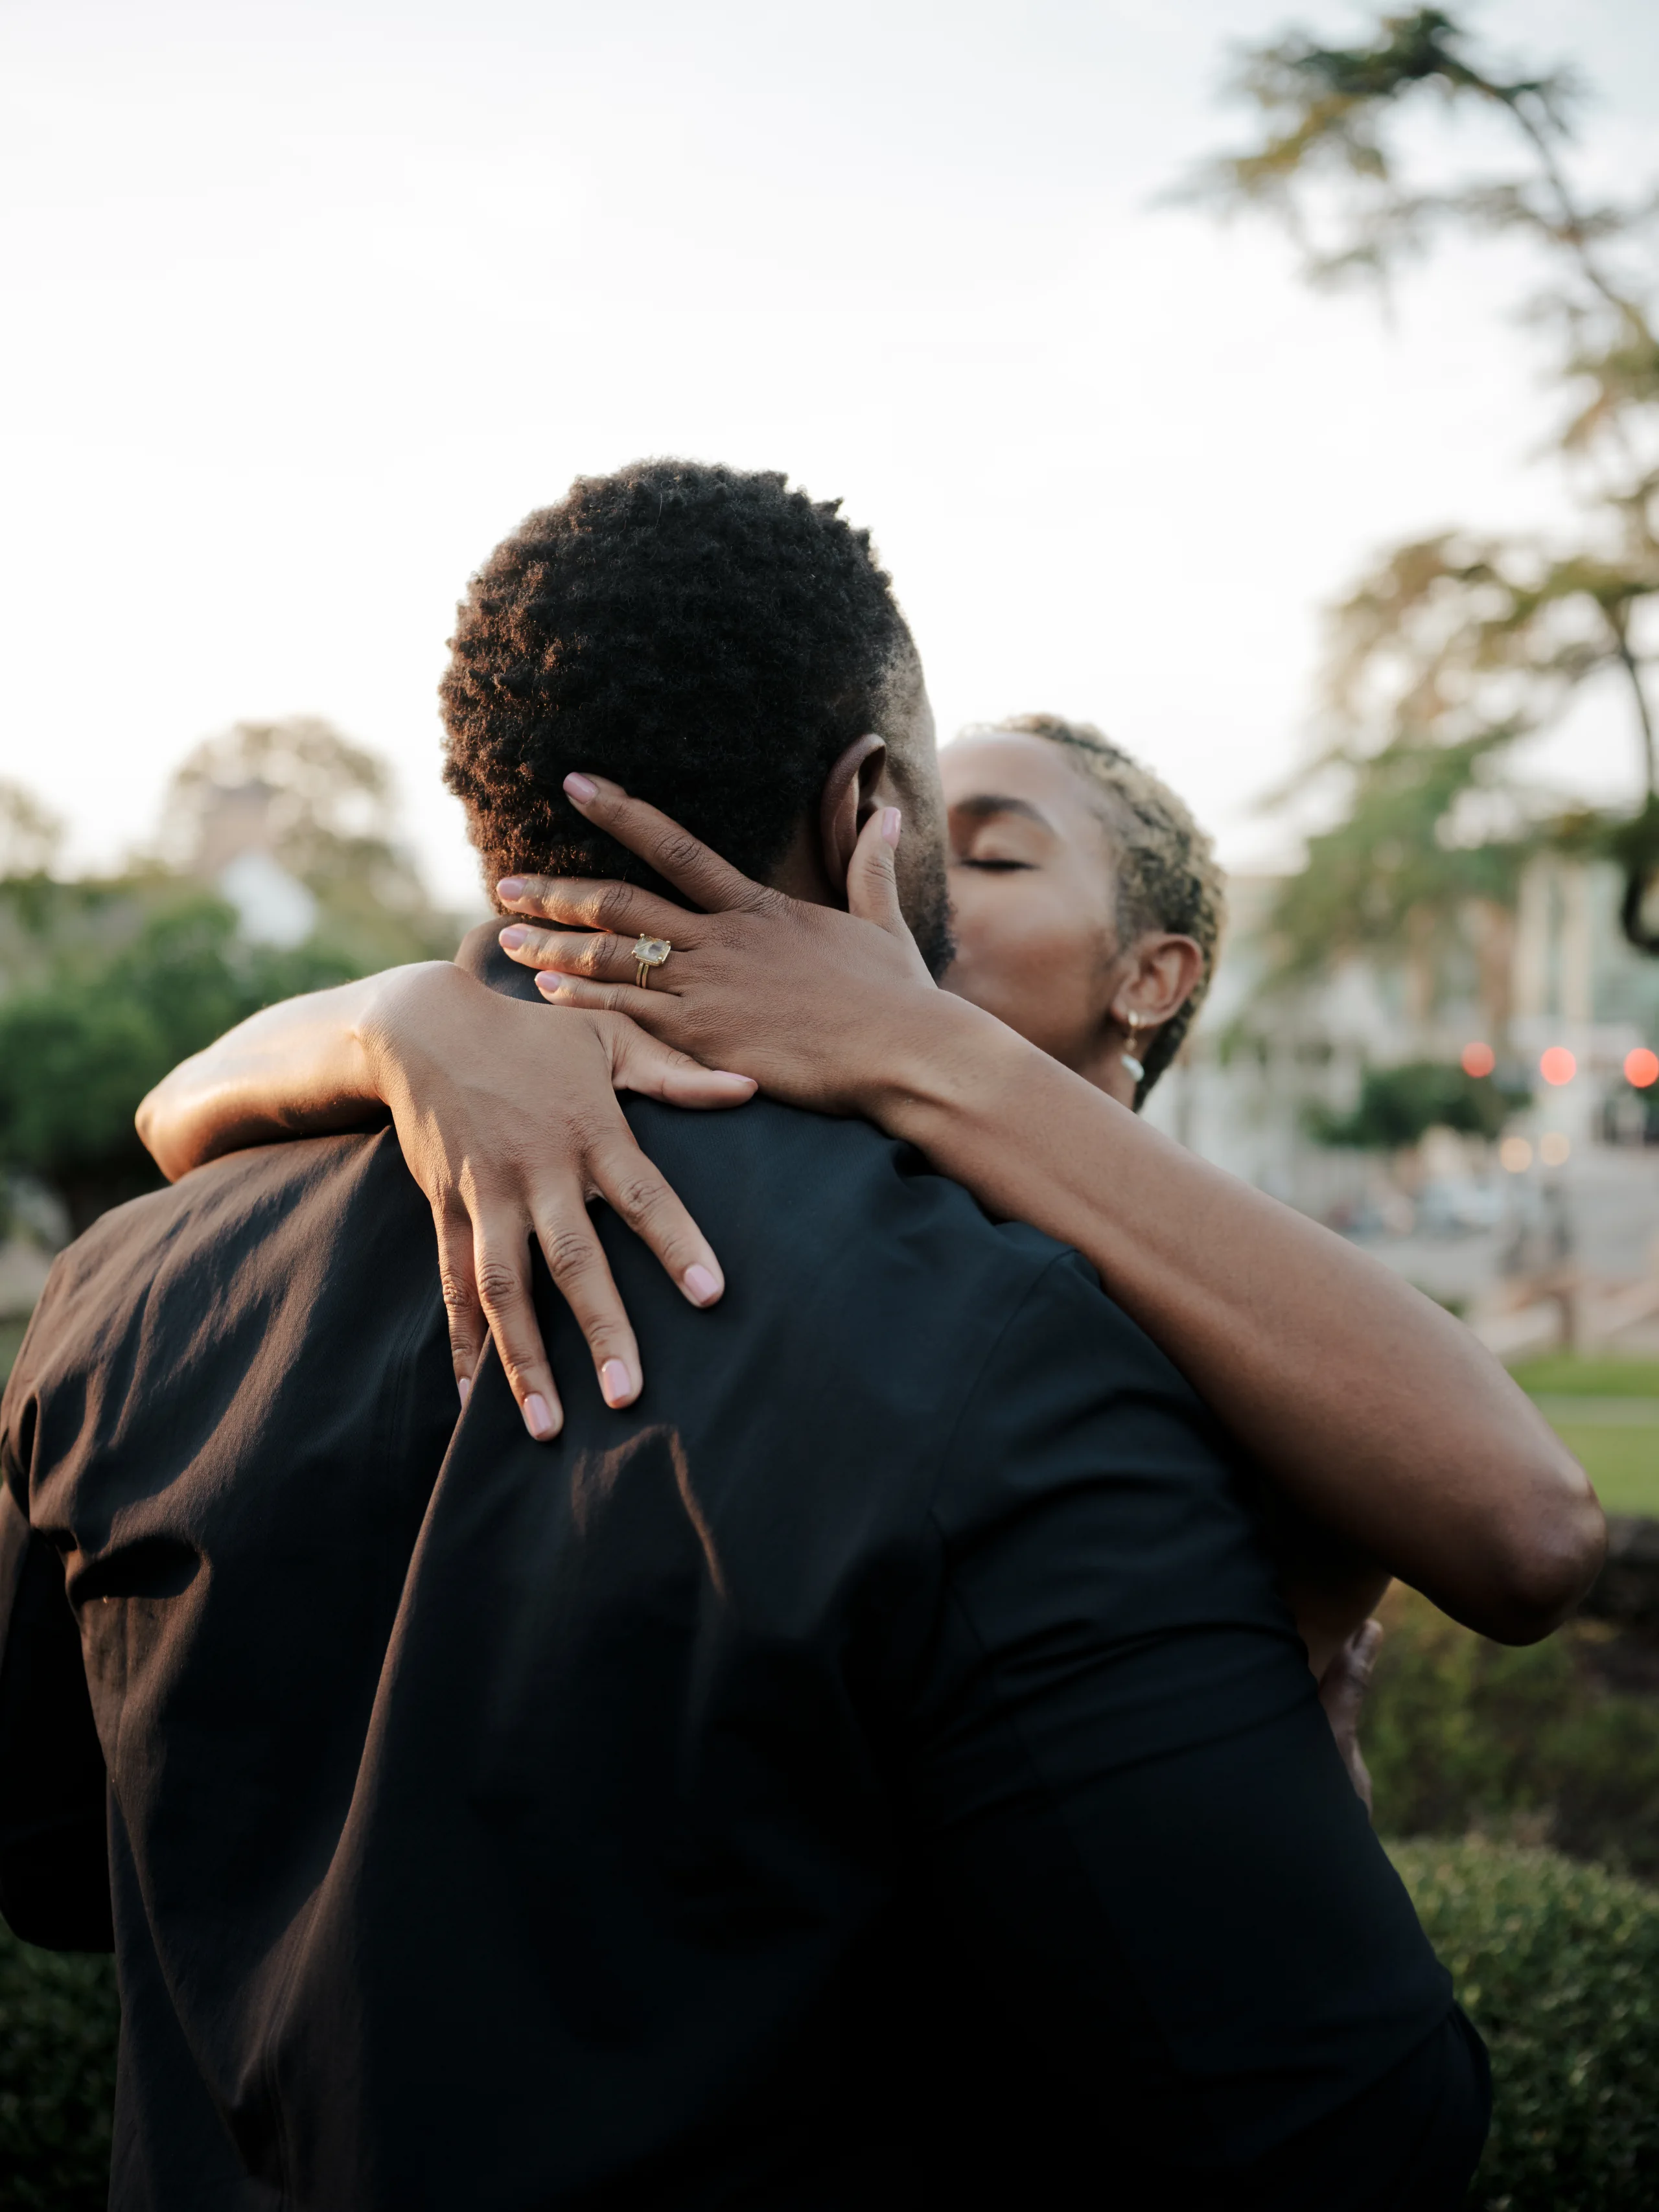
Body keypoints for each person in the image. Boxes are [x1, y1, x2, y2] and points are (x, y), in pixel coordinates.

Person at [0, 460, 1555, 2208]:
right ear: (863, 803)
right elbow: (1343, 2116)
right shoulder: (990, 1347)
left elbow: (53, 1859)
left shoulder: (123, 1289)